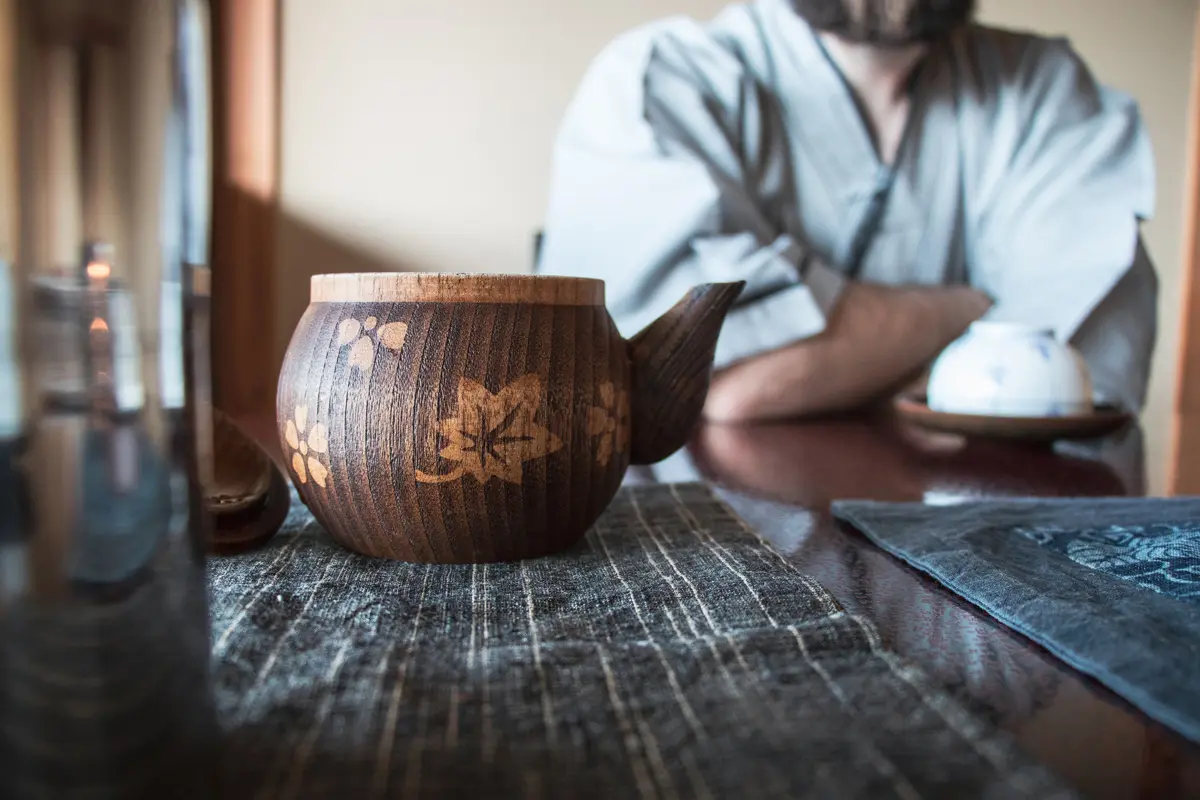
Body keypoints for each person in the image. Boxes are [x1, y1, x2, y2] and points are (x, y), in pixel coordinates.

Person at [536, 0, 1157, 423]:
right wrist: (974, 308)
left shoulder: (1048, 94)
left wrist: (810, 356)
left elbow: (1067, 389)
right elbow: (709, 388)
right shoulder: (661, 82)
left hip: (983, 547)